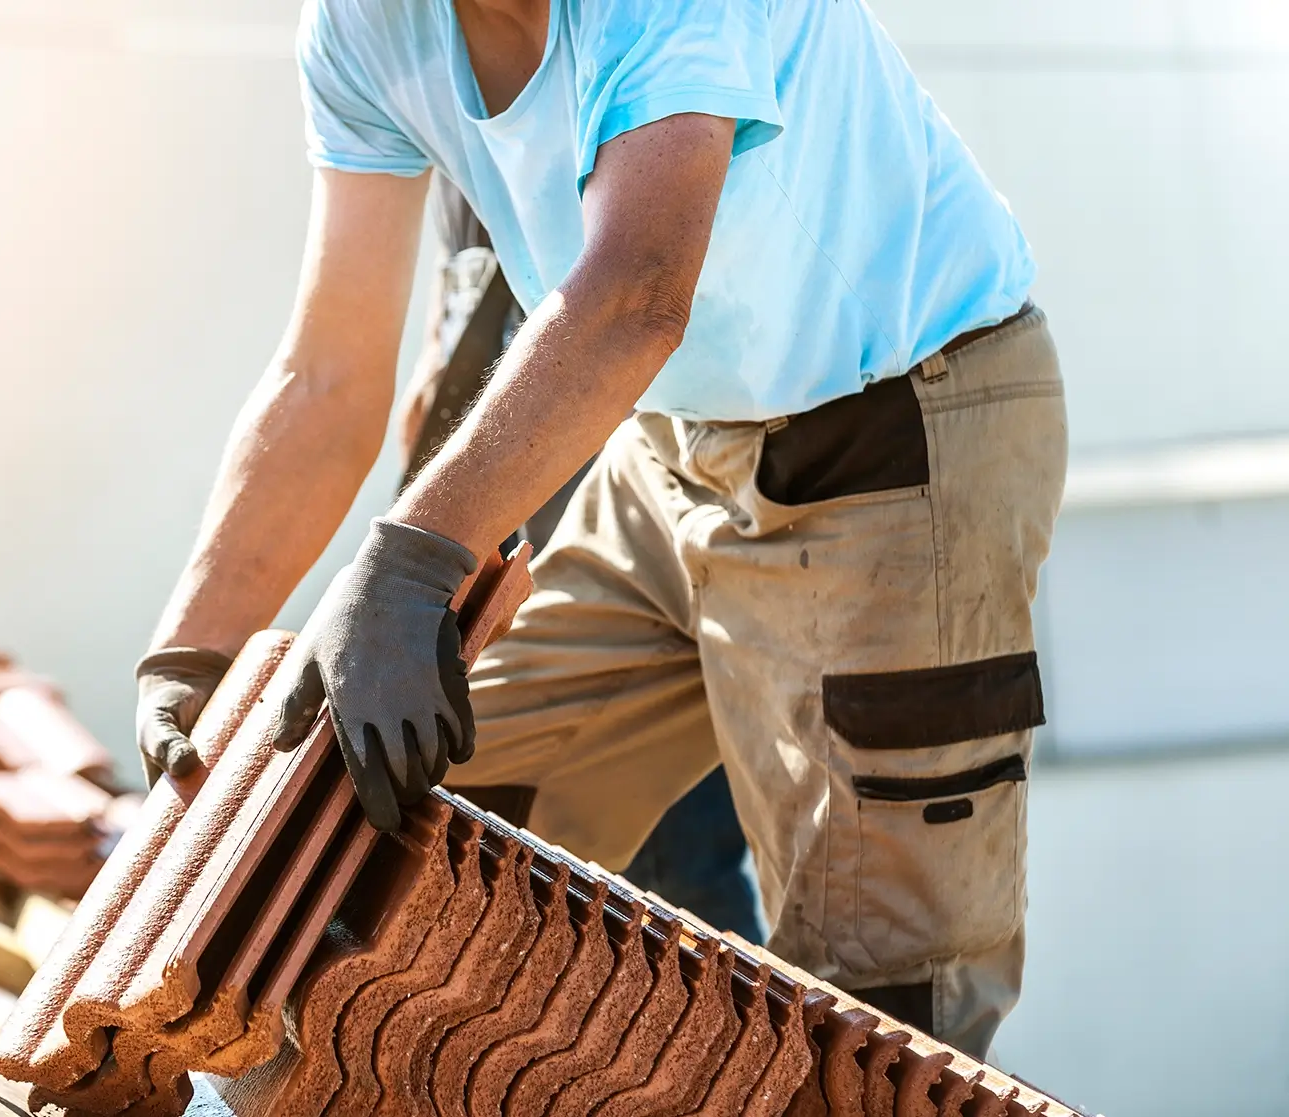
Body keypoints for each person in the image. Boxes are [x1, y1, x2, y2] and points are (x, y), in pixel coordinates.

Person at [136, 0, 1066, 1058]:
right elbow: (327, 373)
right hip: (673, 443)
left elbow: (636, 290)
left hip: (891, 433)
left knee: (877, 1022)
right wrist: (193, 646)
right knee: (407, 838)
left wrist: (408, 563)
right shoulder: (364, 26)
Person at [398, 172, 764, 943]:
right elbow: (445, 358)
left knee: (673, 917)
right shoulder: (456, 142)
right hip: (530, 594)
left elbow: (642, 310)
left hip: (645, 589)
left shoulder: (610, 92)